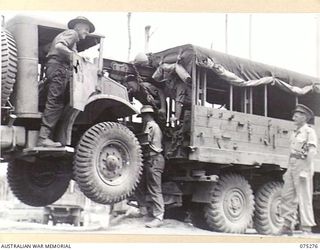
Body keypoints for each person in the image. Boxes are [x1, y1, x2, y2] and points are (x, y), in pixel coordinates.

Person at [37, 16, 95, 147]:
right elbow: (59, 46)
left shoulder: (69, 38)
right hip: (59, 70)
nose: (87, 32)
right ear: (78, 27)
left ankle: (47, 136)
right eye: (86, 29)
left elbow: (48, 49)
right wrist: (76, 56)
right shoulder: (72, 34)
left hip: (56, 69)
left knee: (56, 102)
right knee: (55, 103)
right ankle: (43, 138)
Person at [279, 104, 318, 235]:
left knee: (304, 197)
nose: (293, 117)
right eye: (294, 115)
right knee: (286, 196)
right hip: (292, 165)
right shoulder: (294, 133)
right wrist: (287, 170)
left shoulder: (309, 132)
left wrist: (305, 170)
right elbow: (291, 153)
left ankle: (307, 228)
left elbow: (312, 152)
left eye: (296, 115)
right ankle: (287, 225)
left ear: (304, 117)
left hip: (303, 164)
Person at [138, 105, 165, 228]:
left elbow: (145, 142)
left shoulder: (151, 126)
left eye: (143, 116)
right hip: (152, 160)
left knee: (155, 189)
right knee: (143, 184)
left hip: (154, 159)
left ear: (147, 115)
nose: (142, 119)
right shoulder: (153, 126)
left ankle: (159, 217)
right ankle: (146, 209)